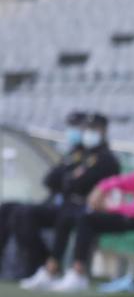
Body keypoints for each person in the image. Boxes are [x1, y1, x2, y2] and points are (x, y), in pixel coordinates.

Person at [21, 130, 134, 293]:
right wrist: (102, 187)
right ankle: (51, 269)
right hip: (131, 216)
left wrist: (110, 208)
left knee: (87, 219)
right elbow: (127, 181)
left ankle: (78, 273)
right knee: (68, 217)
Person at [3, 111, 119, 280]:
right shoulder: (77, 154)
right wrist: (70, 179)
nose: (88, 133)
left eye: (93, 129)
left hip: (78, 207)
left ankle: (43, 265)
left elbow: (77, 185)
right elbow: (50, 180)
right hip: (63, 204)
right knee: (9, 209)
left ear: (103, 131)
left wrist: (68, 180)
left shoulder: (105, 159)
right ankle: (31, 264)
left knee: (27, 214)